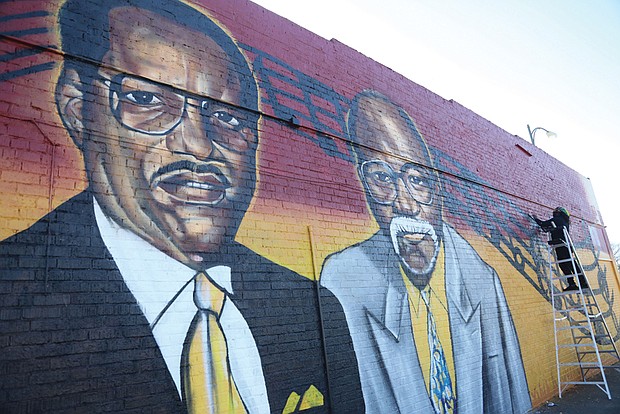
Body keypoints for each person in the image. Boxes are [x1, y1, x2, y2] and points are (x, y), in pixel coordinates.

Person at [0, 1, 363, 412]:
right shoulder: (13, 304)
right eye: (146, 99)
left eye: (228, 116)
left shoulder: (313, 309)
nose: (199, 144)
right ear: (78, 110)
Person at [320, 90, 531, 414]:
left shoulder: (481, 281)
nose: (405, 203)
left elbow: (510, 396)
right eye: (382, 178)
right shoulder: (343, 283)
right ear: (363, 183)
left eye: (417, 180)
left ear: (439, 185)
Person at [531, 207, 589, 291]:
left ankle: (577, 283)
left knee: (567, 264)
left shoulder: (558, 219)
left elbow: (542, 224)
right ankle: (577, 283)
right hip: (564, 245)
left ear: (561, 213)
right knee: (567, 264)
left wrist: (535, 218)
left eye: (556, 212)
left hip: (562, 245)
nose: (554, 213)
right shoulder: (564, 221)